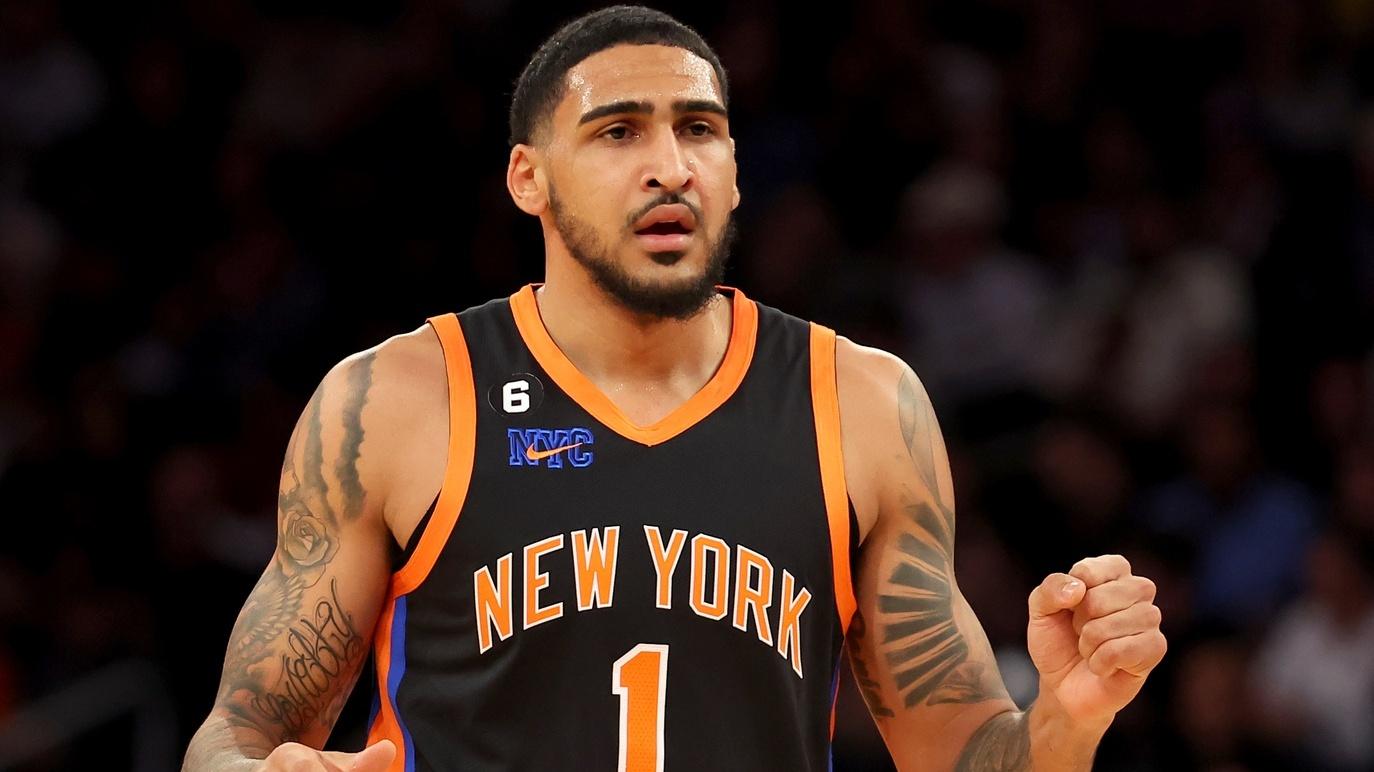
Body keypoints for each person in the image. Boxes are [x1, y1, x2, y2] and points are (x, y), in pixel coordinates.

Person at [182, 6, 1166, 771]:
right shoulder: (396, 400)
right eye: (617, 132)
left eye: (699, 130)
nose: (669, 166)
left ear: (735, 171)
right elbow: (240, 724)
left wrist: (1063, 722)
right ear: (529, 177)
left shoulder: (861, 405)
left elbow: (957, 750)